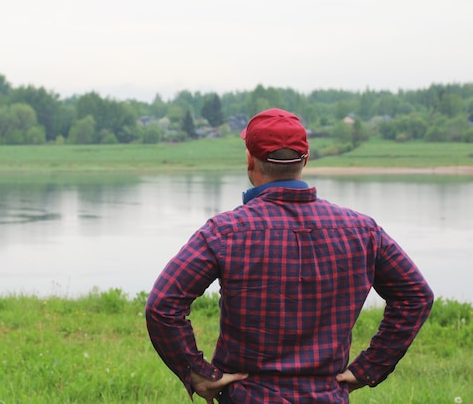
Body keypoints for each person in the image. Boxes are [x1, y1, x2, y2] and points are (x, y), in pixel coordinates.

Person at [145, 108, 434, 404]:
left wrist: (197, 374)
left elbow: (161, 305)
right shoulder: (362, 230)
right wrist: (368, 369)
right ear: (305, 160)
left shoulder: (225, 231)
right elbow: (416, 296)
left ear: (249, 159)